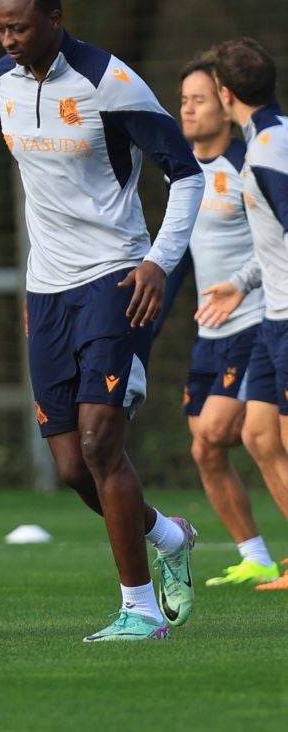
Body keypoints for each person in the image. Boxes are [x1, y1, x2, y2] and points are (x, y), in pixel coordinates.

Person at [0, 0, 202, 639]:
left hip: (115, 277)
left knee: (101, 440)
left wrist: (157, 263)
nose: (8, 39)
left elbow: (187, 175)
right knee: (72, 465)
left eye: (19, 27)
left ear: (54, 19)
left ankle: (140, 611)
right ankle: (168, 535)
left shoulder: (110, 81)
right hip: (45, 289)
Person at [155, 54, 278, 586]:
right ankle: (256, 555)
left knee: (233, 431)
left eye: (200, 98)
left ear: (226, 106)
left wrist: (244, 287)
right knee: (205, 448)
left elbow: (275, 246)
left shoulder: (248, 163)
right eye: (183, 99)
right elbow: (179, 258)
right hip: (209, 332)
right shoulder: (182, 171)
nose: (188, 108)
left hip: (255, 321)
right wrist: (146, 327)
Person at [199, 37, 288, 591]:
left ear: (226, 95)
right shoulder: (269, 140)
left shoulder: (268, 153)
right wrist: (238, 283)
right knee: (258, 434)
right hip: (271, 316)